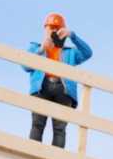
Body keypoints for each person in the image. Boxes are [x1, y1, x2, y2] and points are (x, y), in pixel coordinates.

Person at [24, 12, 93, 149]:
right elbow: (25, 66)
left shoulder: (71, 53)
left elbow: (88, 53)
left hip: (63, 90)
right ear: (45, 29)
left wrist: (72, 36)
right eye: (51, 28)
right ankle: (33, 154)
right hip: (41, 88)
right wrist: (42, 49)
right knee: (37, 124)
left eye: (57, 28)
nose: (54, 31)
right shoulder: (35, 48)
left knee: (59, 129)